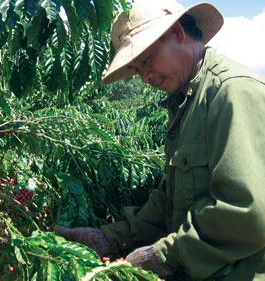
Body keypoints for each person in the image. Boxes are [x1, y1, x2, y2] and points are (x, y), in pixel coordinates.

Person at [55, 0, 265, 280]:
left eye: (145, 60)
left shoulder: (232, 93)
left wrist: (164, 255)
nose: (144, 77)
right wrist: (111, 237)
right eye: (136, 68)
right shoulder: (186, 103)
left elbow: (249, 214)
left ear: (177, 33)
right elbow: (171, 198)